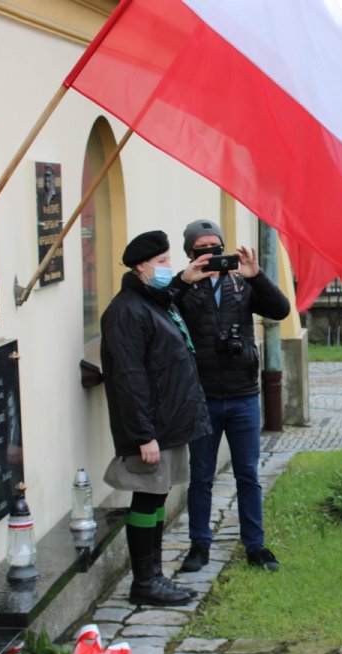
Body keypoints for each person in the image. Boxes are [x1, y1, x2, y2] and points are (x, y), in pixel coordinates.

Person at [170, 219, 291, 573]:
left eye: (216, 248)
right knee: (201, 476)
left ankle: (255, 545)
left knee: (248, 474)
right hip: (203, 396)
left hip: (242, 395)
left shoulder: (242, 283)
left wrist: (257, 276)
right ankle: (199, 545)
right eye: (202, 250)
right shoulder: (184, 287)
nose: (211, 255)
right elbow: (158, 309)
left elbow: (281, 309)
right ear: (190, 253)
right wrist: (183, 282)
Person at [101, 230, 211, 606]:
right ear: (141, 267)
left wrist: (183, 281)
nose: (168, 266)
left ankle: (154, 576)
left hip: (166, 425)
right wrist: (143, 435)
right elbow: (129, 378)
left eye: (168, 259)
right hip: (151, 430)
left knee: (157, 497)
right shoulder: (126, 311)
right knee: (147, 500)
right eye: (162, 261)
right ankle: (145, 581)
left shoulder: (154, 301)